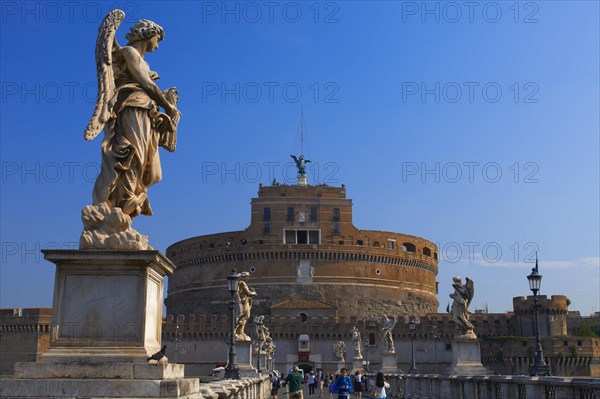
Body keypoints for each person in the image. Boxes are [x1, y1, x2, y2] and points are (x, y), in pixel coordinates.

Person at [87, 13, 181, 218]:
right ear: (149, 34)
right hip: (132, 109)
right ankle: (120, 209)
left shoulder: (145, 63)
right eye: (157, 40)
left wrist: (166, 101)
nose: (157, 46)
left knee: (153, 173)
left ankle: (128, 204)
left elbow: (149, 87)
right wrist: (168, 106)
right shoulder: (129, 52)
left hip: (147, 113)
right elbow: (146, 85)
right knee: (133, 159)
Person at [234, 272, 257, 341]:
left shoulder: (239, 283)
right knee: (244, 316)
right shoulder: (242, 283)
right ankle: (236, 330)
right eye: (247, 277)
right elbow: (248, 293)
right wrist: (254, 293)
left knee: (244, 316)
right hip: (243, 302)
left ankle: (240, 331)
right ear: (245, 277)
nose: (248, 278)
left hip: (244, 301)